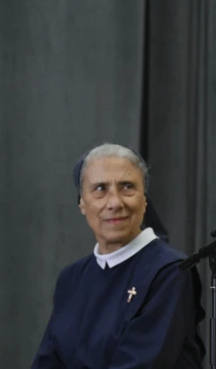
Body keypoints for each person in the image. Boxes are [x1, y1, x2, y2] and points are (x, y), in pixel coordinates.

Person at [32, 144, 205, 368]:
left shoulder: (169, 272)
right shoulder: (71, 279)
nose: (114, 202)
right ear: (82, 203)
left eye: (127, 187)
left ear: (144, 200)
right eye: (100, 189)